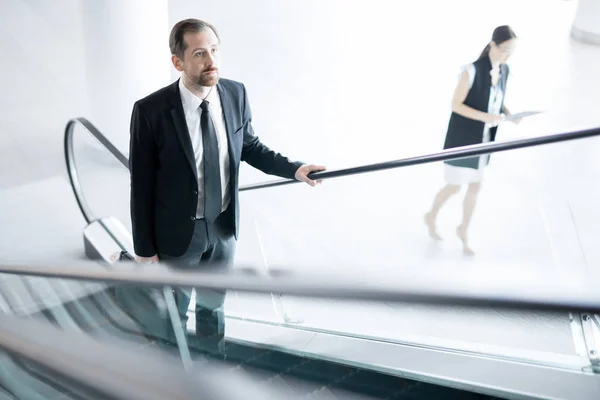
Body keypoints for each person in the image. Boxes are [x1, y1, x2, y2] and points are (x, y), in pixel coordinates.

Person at [128, 18, 325, 353]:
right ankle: (170, 375)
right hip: (177, 237)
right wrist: (145, 251)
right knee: (171, 315)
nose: (211, 61)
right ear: (178, 62)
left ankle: (211, 367)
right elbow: (141, 185)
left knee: (213, 308)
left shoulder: (235, 93)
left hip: (222, 228)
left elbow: (250, 146)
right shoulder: (151, 112)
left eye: (215, 50)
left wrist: (295, 169)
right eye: (200, 53)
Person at [424, 25, 520, 256]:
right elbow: (456, 105)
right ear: (493, 45)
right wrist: (488, 117)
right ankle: (431, 215)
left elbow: (495, 99)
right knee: (455, 186)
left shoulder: (504, 70)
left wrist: (508, 114)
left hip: (485, 140)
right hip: (464, 139)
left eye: (511, 51)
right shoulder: (471, 71)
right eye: (504, 49)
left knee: (476, 185)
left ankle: (463, 229)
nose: (507, 55)